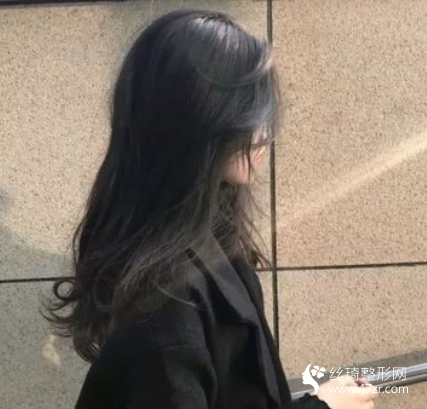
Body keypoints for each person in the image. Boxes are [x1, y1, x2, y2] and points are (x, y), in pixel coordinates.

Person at [45, 9, 379, 409]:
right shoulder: (165, 306)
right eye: (249, 113)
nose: (264, 134)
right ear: (196, 122)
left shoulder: (203, 242)